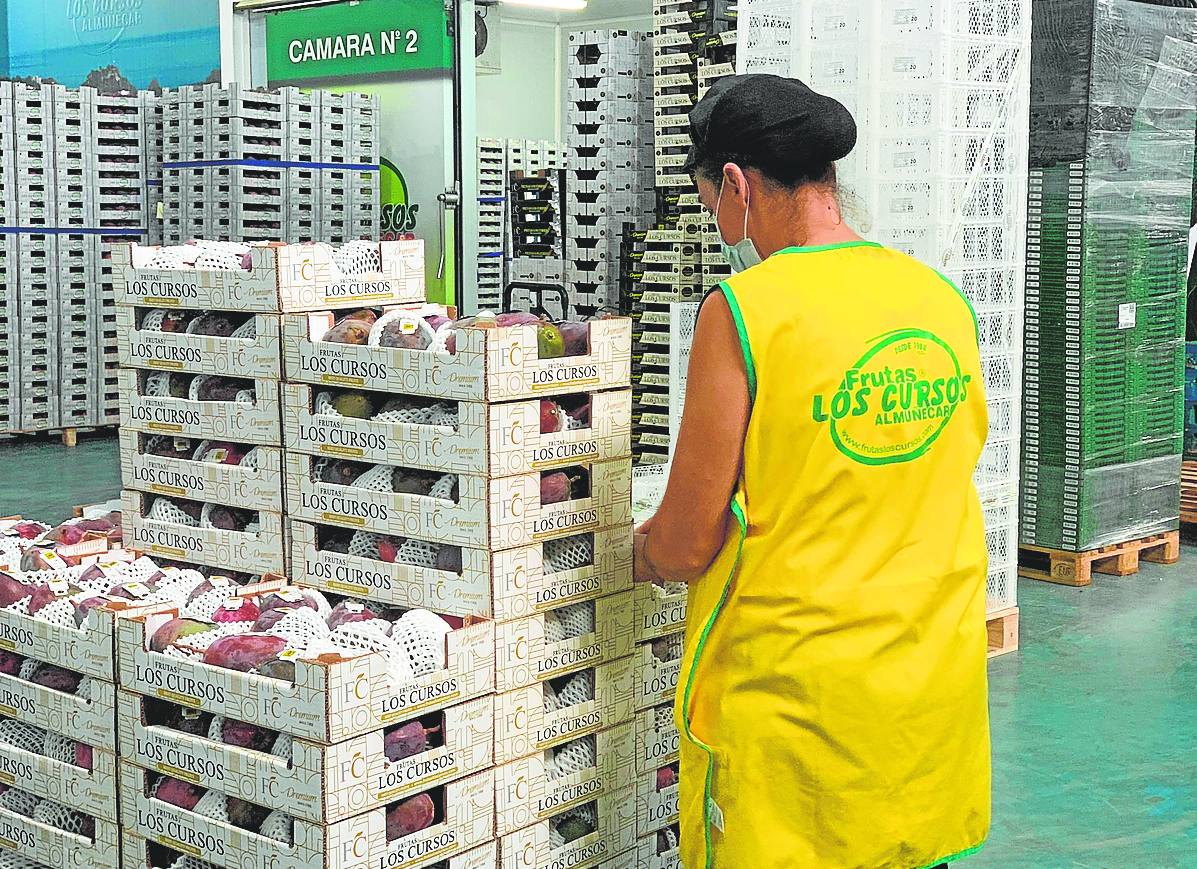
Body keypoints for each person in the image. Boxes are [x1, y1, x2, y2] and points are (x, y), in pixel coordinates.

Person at [632, 74, 991, 868]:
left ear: (735, 184)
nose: (715, 223)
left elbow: (688, 542)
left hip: (799, 705)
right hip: (927, 683)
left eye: (708, 202)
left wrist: (638, 552)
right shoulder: (938, 299)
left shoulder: (746, 311)